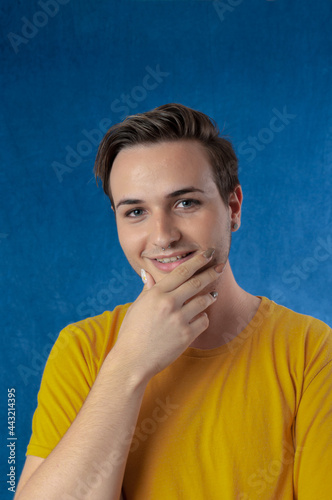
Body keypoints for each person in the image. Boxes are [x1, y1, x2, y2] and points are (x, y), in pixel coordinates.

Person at [15, 104, 332, 500]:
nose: (162, 236)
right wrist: (128, 366)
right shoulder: (82, 350)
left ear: (232, 208)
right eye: (135, 211)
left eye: (185, 203)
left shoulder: (309, 350)